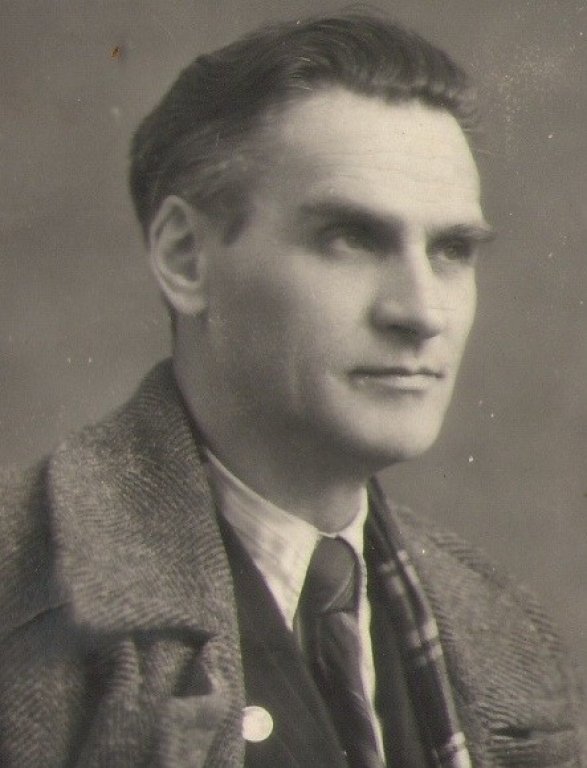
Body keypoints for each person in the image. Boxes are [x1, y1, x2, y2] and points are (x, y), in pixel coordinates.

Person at [0, 13, 583, 768]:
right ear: (185, 257)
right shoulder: (21, 591)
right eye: (351, 238)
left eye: (451, 250)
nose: (422, 312)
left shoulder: (508, 637)